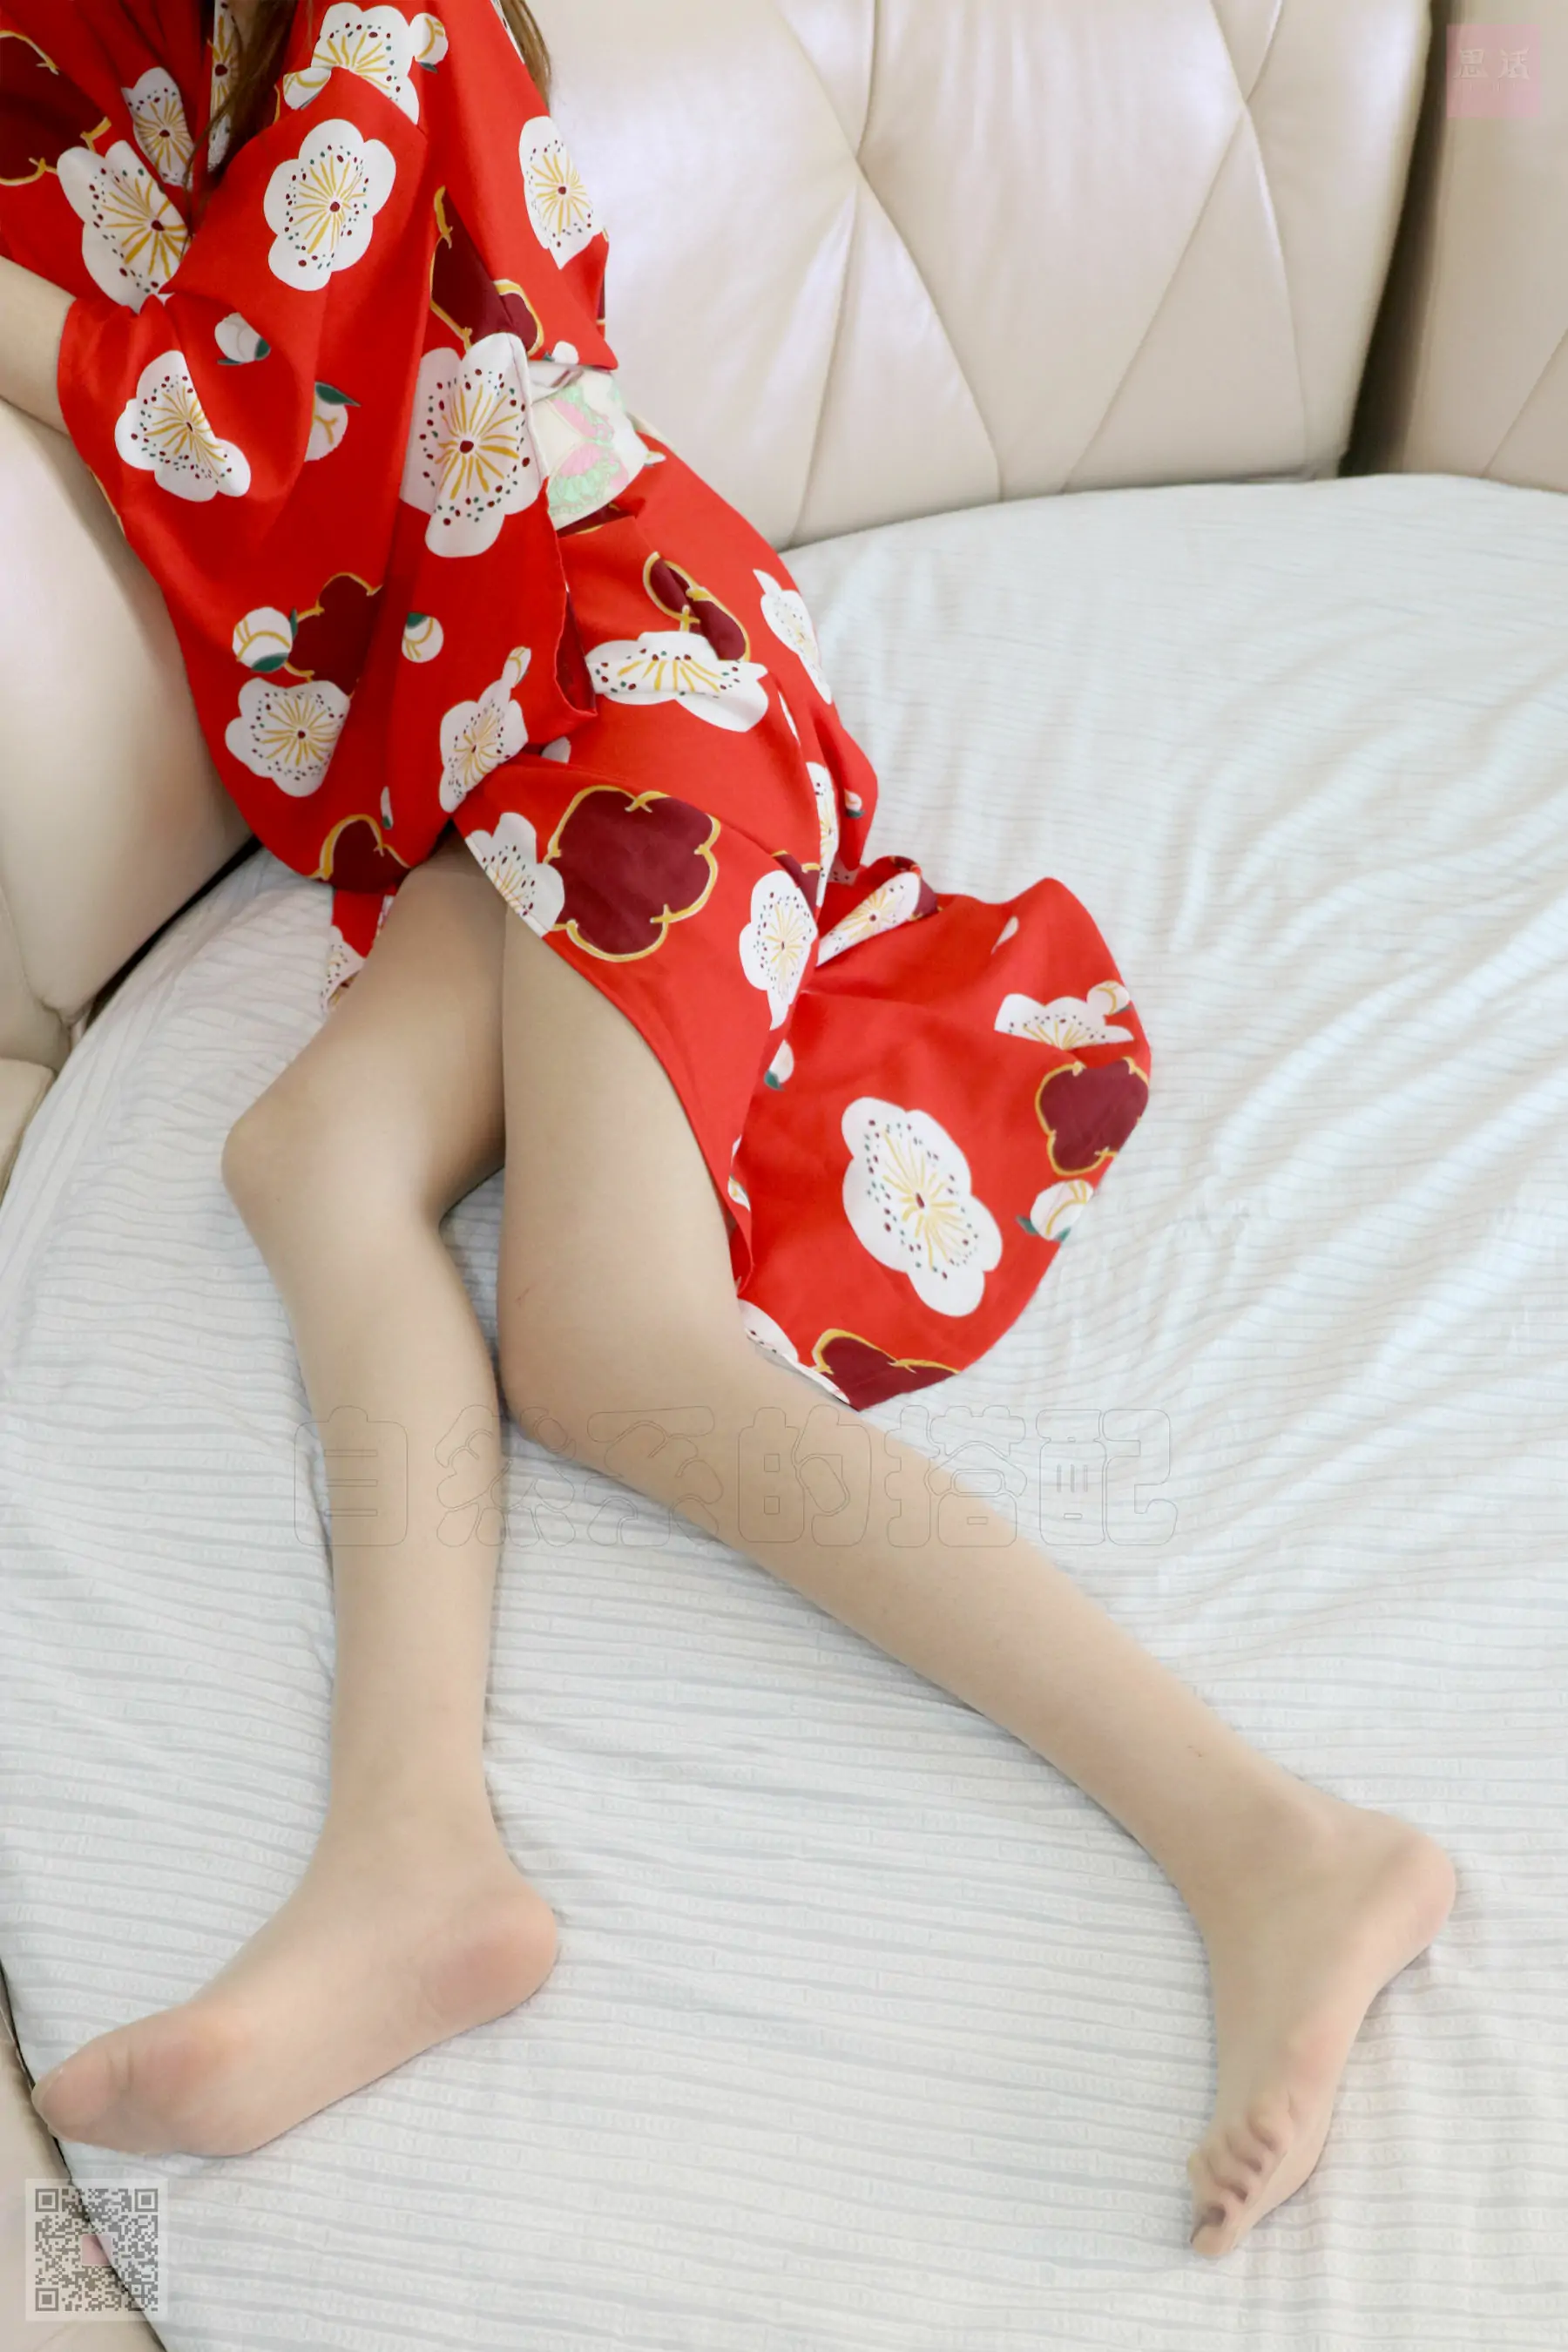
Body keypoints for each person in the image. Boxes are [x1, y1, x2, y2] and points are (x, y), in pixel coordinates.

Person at [0, 0, 1454, 2258]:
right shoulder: (141, 36)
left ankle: (1279, 1840)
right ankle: (416, 1857)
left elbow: (229, 421)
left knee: (612, 1338)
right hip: (486, 728)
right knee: (309, 1161)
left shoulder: (393, 20)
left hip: (633, 667)